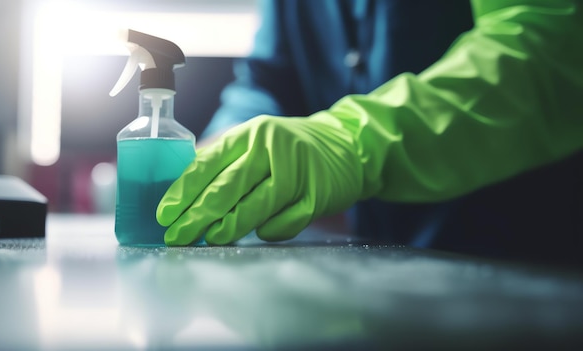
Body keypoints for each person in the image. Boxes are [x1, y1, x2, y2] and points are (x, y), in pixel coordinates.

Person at [157, 0, 583, 265]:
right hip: (381, 281)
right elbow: (270, 80)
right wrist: (222, 151)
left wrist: (351, 141)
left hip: (523, 273)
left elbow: (546, 47)